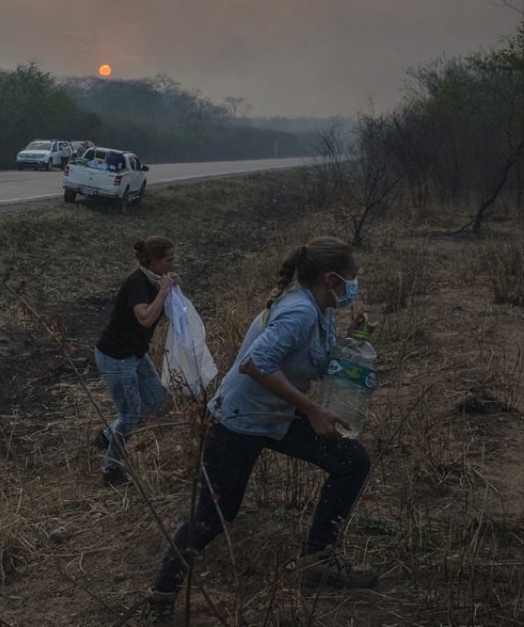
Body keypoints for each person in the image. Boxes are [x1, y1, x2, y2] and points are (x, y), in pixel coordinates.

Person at [141, 237, 376, 624]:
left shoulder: (320, 309)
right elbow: (255, 363)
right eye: (353, 277)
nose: (355, 285)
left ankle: (317, 558)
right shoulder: (299, 311)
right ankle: (162, 595)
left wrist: (352, 341)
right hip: (237, 422)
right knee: (213, 518)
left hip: (276, 416)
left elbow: (312, 360)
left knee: (352, 460)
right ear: (332, 278)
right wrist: (313, 410)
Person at [92, 237, 180, 485]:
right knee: (129, 415)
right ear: (153, 262)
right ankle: (111, 470)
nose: (173, 264)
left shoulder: (154, 281)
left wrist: (170, 288)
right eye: (169, 260)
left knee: (153, 399)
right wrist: (164, 290)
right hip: (115, 357)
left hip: (135, 354)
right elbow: (145, 318)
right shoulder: (138, 283)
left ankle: (108, 435)